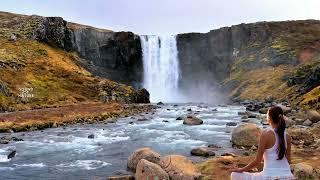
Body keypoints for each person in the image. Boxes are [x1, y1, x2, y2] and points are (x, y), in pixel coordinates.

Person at [230, 106, 294, 179]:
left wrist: (241, 169)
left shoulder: (265, 134)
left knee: (234, 174)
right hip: (287, 176)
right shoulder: (287, 136)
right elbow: (288, 161)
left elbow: (257, 161)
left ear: (269, 118)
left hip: (269, 176)